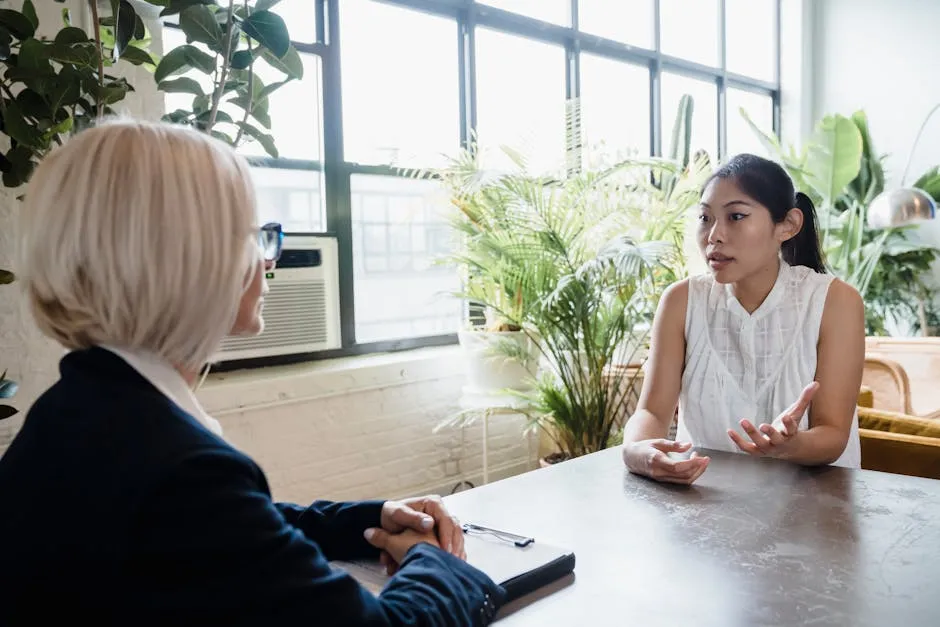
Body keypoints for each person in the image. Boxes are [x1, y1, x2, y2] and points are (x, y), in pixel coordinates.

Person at [0, 120, 505, 625]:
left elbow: (223, 533)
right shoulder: (183, 472)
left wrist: (367, 520)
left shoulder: (80, 411)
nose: (268, 262)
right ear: (190, 258)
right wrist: (435, 561)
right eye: (256, 236)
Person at [622, 153, 865, 485]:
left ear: (788, 225)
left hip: (813, 515)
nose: (714, 235)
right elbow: (651, 412)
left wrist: (790, 446)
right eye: (705, 218)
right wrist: (638, 450)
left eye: (736, 216)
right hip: (707, 507)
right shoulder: (681, 301)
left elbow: (833, 434)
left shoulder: (836, 301)